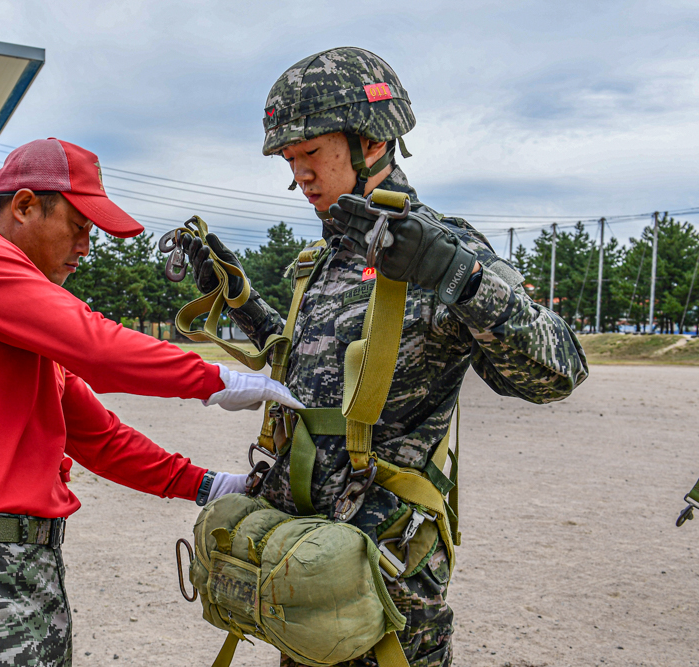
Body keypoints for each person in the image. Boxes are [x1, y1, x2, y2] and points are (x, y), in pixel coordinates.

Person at [177, 47, 589, 666]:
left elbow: (558, 372)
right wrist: (234, 292)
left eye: (311, 153)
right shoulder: (326, 259)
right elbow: (301, 367)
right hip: (306, 563)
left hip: (387, 575)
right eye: (291, 161)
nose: (301, 176)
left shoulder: (443, 249)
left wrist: (455, 275)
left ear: (370, 140)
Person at [0, 137, 302, 667]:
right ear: (26, 205)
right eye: (79, 227)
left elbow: (98, 437)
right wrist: (218, 381)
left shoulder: (17, 331)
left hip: (7, 569)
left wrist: (211, 485)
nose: (87, 246)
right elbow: (97, 347)